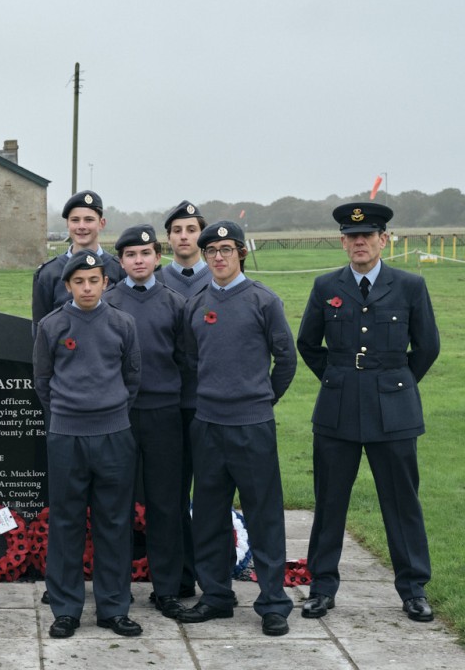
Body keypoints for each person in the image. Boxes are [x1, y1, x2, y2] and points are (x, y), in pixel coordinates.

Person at [296, 202, 440, 623]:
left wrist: (396, 381)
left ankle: (413, 589)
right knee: (330, 502)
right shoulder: (326, 286)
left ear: (383, 240)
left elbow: (427, 346)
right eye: (352, 237)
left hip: (393, 409)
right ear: (343, 242)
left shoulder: (410, 285)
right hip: (338, 409)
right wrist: (338, 376)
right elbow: (308, 343)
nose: (360, 243)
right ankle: (321, 588)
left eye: (368, 236)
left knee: (402, 502)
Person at [175, 221, 296, 637]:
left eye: (226, 249)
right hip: (208, 425)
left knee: (264, 515)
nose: (219, 257)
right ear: (204, 255)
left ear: (240, 252)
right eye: (211, 251)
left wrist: (260, 398)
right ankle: (216, 596)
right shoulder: (195, 304)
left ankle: (274, 602)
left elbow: (286, 360)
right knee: (208, 515)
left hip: (252, 426)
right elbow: (192, 360)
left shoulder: (264, 300)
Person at [34, 250, 142, 638]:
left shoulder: (123, 323)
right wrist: (70, 416)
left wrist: (109, 413)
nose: (87, 287)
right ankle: (65, 608)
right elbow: (42, 382)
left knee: (114, 521)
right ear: (67, 285)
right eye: (79, 281)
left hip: (114, 434)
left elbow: (132, 378)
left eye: (93, 280)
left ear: (106, 283)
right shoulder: (52, 326)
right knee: (66, 521)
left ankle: (114, 607)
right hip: (67, 436)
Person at [103, 224, 193, 619]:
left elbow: (188, 361)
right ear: (120, 261)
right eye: (130, 255)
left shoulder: (175, 303)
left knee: (165, 503)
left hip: (163, 415)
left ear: (158, 256)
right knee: (115, 505)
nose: (138, 261)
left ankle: (168, 588)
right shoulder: (106, 302)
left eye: (145, 254)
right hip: (118, 416)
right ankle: (115, 590)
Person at [155, 199, 210, 600]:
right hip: (169, 404)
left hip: (209, 402)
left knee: (209, 493)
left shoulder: (222, 276)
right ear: (168, 238)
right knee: (171, 495)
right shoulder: (153, 281)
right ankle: (178, 575)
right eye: (177, 230)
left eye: (191, 229)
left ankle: (213, 573)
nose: (184, 236)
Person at [32, 190, 126, 334]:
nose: (81, 226)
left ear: (102, 223)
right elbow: (40, 331)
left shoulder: (120, 270)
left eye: (89, 220)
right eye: (75, 220)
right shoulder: (48, 274)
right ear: (67, 224)